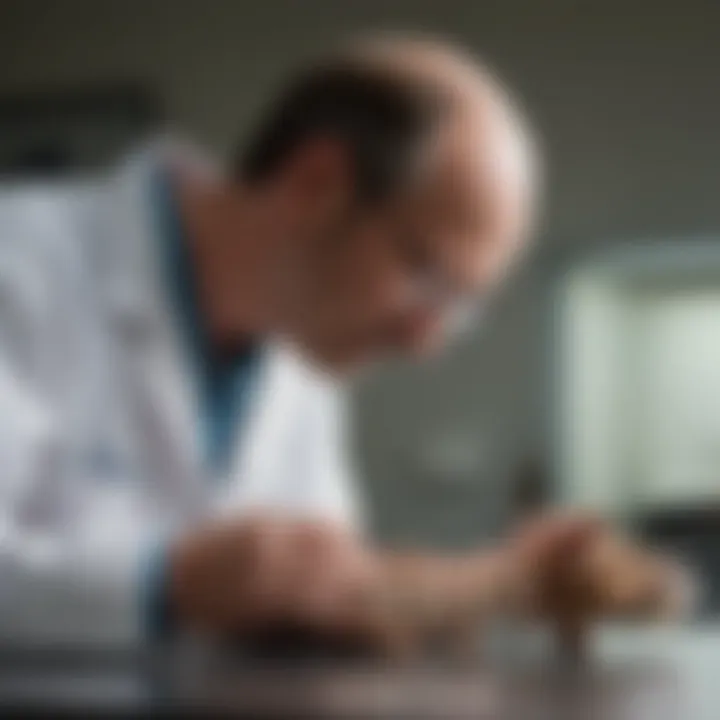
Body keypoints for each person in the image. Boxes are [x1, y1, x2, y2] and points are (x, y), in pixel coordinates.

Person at [0, 36, 689, 650]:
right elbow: (224, 586)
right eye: (430, 283)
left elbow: (319, 592)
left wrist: (514, 583)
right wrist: (165, 584)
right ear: (316, 183)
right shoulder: (23, 267)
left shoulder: (302, 355)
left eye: (461, 309)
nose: (427, 342)